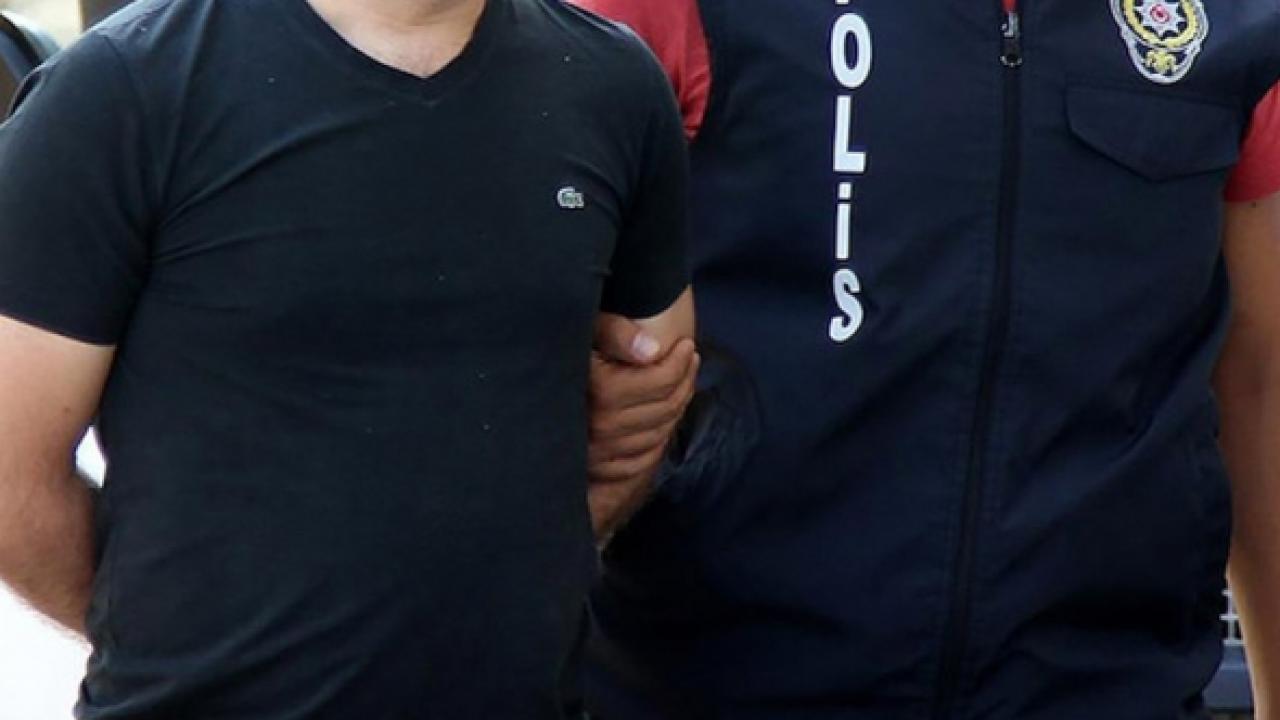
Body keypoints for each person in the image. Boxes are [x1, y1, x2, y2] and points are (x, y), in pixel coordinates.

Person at [580, 0, 1280, 717]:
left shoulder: (1237, 20)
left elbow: (1258, 375)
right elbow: (530, 320)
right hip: (712, 678)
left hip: (1107, 688)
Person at [0, 0, 695, 716]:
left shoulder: (612, 83)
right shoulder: (122, 88)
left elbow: (648, 395)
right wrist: (175, 640)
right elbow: (9, 476)